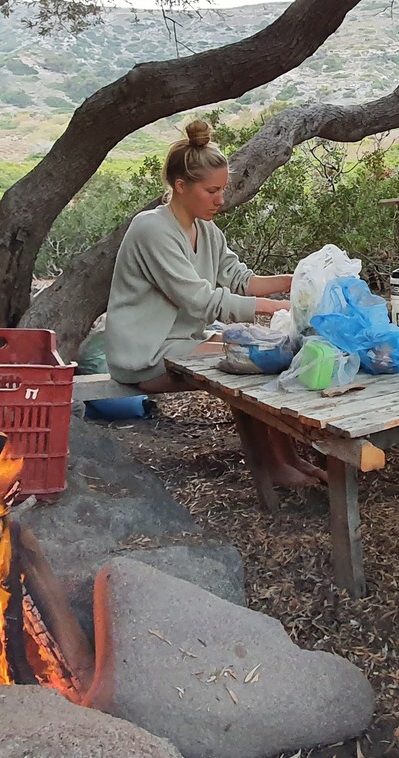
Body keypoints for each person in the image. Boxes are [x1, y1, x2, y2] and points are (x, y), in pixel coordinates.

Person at [104, 120, 326, 489]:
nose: (220, 200)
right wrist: (272, 308)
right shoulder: (151, 230)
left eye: (222, 189)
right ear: (180, 186)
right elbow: (199, 300)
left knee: (259, 353)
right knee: (250, 361)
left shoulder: (207, 231)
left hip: (179, 343)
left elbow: (241, 279)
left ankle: (287, 460)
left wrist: (296, 280)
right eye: (211, 191)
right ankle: (273, 468)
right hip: (144, 355)